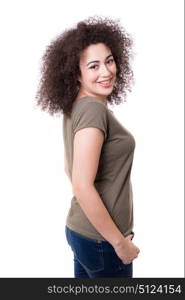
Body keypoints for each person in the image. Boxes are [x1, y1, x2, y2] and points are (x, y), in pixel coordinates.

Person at [35, 15, 140, 278]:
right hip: (102, 241)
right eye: (93, 66)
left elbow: (69, 167)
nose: (106, 72)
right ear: (76, 74)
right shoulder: (92, 110)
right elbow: (81, 185)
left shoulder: (79, 105)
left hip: (83, 232)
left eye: (109, 60)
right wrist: (119, 243)